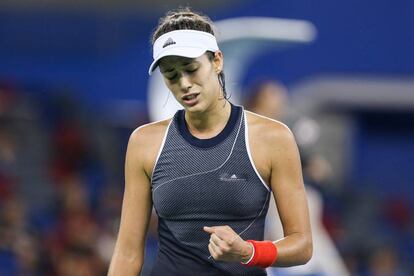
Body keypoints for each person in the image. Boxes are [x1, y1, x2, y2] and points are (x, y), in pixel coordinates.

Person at [108, 8, 312, 276]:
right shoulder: (144, 142)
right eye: (171, 75)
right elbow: (127, 252)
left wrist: (249, 252)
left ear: (217, 61)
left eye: (192, 69)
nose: (184, 84)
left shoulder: (273, 138)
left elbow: (302, 244)